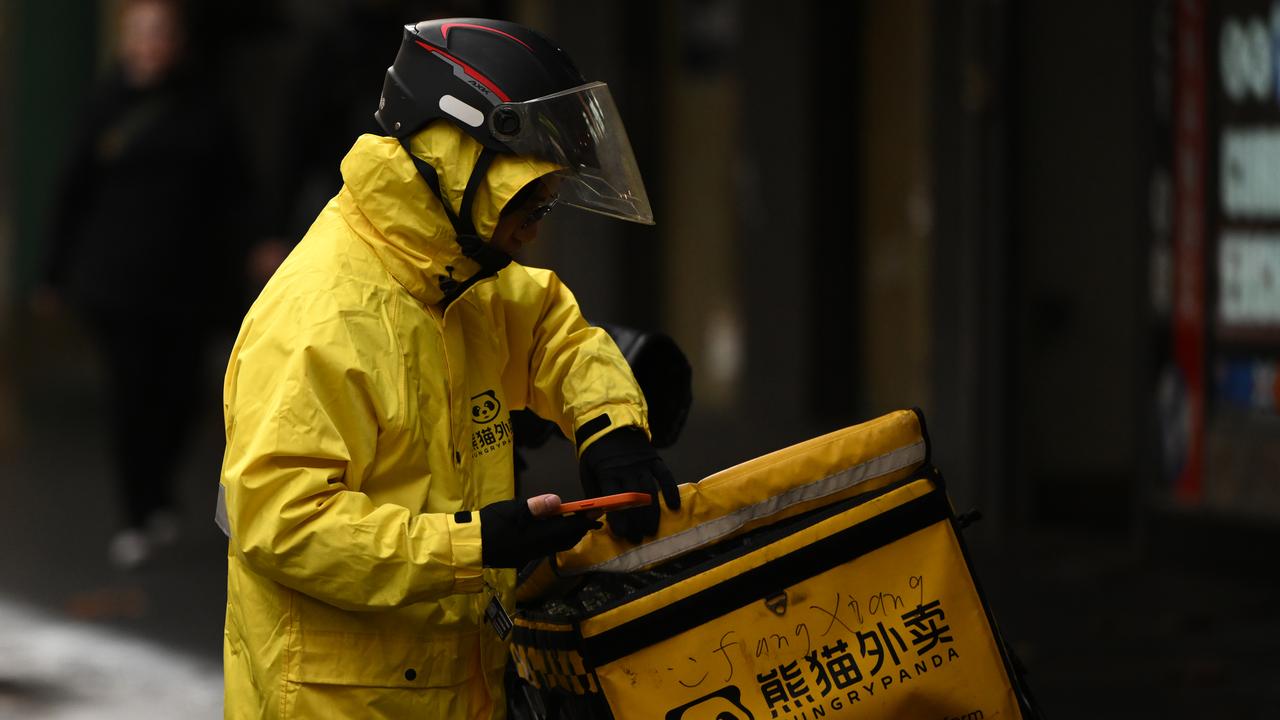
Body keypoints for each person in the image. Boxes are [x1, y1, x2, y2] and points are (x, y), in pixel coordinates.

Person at [218, 18, 680, 718]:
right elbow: (285, 524)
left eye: (544, 201)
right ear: (458, 158)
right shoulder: (320, 320)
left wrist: (610, 427)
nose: (534, 226)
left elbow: (555, 331)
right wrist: (478, 545)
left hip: (455, 685)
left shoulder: (458, 274)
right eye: (525, 199)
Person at [37, 0, 250, 568]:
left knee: (178, 392)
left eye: (159, 34)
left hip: (186, 282)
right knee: (131, 395)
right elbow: (72, 189)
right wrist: (53, 272)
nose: (149, 46)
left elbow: (234, 189)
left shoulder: (205, 105)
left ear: (177, 42)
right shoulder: (105, 104)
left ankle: (159, 495)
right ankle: (138, 508)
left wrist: (252, 248)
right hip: (117, 282)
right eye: (139, 34)